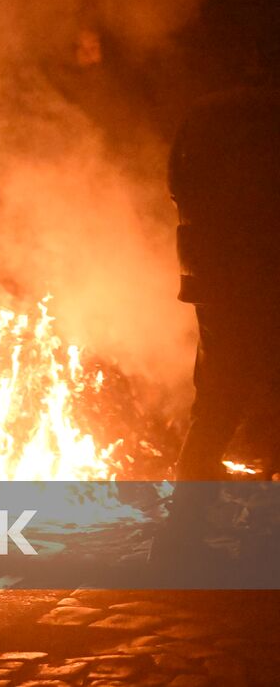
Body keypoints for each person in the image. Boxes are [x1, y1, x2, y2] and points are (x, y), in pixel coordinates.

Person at [168, 77, 280, 483]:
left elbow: (176, 184)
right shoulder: (269, 113)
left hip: (211, 273)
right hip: (263, 274)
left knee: (217, 395)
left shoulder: (204, 111)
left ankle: (189, 511)